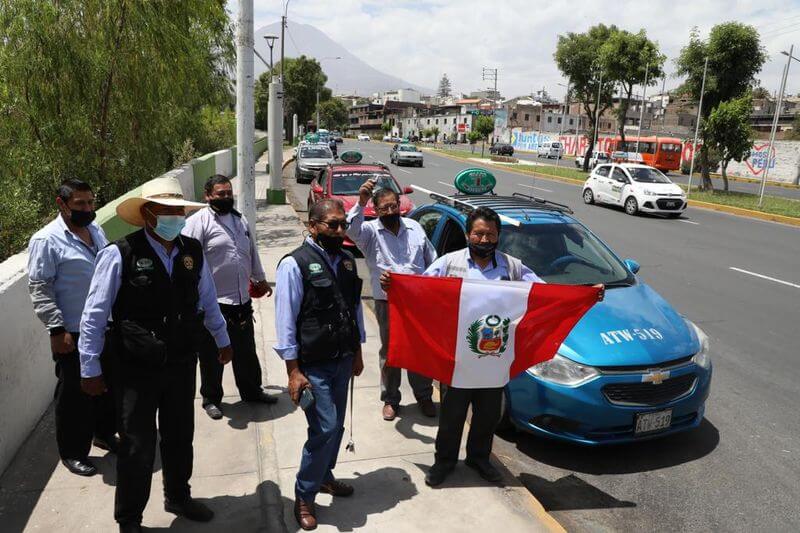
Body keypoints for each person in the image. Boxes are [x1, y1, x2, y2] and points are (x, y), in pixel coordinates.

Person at [78, 177, 234, 533]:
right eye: (166, 211)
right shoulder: (120, 253)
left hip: (180, 362)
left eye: (178, 211)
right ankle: (129, 518)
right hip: (136, 366)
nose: (174, 217)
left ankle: (178, 496)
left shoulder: (192, 250)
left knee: (180, 436)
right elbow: (94, 315)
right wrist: (90, 368)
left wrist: (222, 339)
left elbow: (207, 299)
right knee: (137, 445)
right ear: (148, 214)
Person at [381, 207, 546, 487]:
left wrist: (586, 293)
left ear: (498, 236)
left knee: (487, 416)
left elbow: (544, 294)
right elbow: (420, 289)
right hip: (457, 359)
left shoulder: (513, 267)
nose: (484, 240)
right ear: (468, 234)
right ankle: (444, 462)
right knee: (452, 417)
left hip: (494, 359)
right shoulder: (449, 263)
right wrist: (393, 285)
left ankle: (479, 459)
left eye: (491, 234)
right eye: (479, 234)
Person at [274, 198, 365, 531]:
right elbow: (285, 321)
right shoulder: (294, 264)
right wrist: (293, 371)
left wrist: (357, 351)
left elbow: (354, 310)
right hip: (313, 364)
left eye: (343, 224)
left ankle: (325, 476)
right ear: (312, 225)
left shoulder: (347, 261)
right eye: (332, 224)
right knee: (324, 428)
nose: (340, 230)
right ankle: (304, 493)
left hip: (342, 359)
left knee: (336, 426)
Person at [26, 178, 117, 477]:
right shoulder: (46, 240)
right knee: (75, 395)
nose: (87, 208)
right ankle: (73, 452)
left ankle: (104, 433)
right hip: (72, 331)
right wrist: (56, 329)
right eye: (80, 204)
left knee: (106, 387)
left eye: (90, 202)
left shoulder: (96, 230)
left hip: (104, 325)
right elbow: (40, 287)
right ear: (61, 204)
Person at [183, 175, 277, 420]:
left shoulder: (240, 219)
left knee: (246, 351)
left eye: (228, 193)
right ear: (207, 195)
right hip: (214, 303)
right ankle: (211, 399)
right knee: (212, 356)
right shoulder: (198, 223)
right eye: (220, 193)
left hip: (241, 300)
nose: (226, 197)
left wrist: (260, 277)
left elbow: (251, 250)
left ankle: (252, 391)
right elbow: (188, 262)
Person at [347, 179, 437, 421]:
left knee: (419, 350)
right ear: (375, 210)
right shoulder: (369, 232)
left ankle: (424, 395)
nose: (389, 211)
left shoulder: (415, 228)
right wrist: (361, 201)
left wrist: (428, 285)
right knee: (391, 352)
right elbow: (350, 230)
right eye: (383, 208)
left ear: (399, 205)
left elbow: (432, 259)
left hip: (418, 302)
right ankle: (390, 399)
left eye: (392, 206)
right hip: (388, 302)